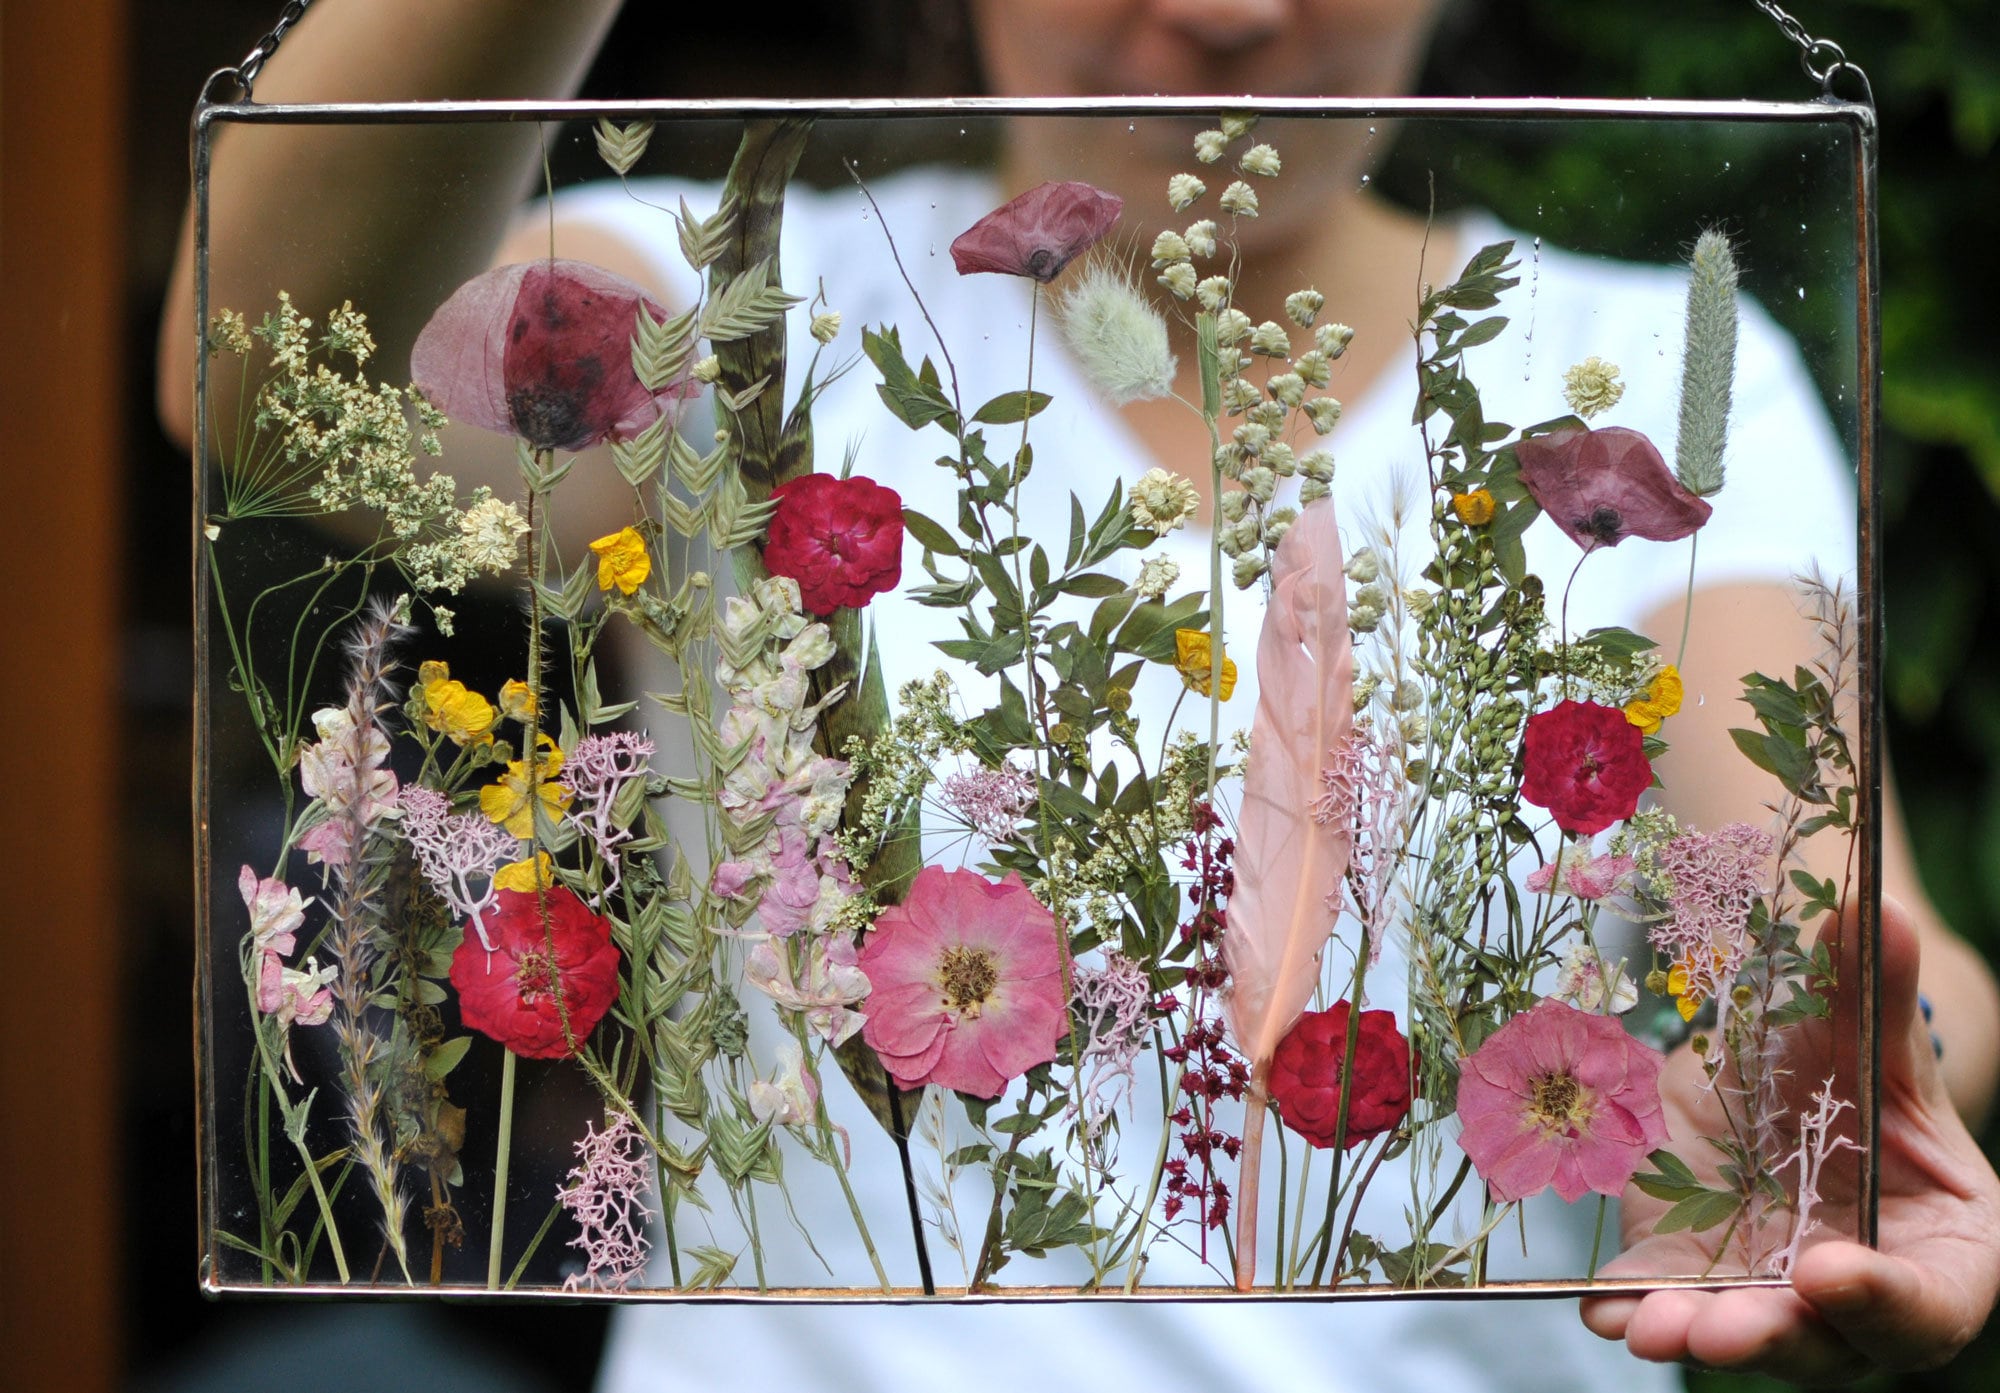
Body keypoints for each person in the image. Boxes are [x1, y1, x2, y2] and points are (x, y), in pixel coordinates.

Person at [161, 0, 2000, 1384]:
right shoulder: (744, 307)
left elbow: (1844, 927)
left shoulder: (1653, 377)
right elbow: (271, 380)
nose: (1224, 10)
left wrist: (1828, 1074)